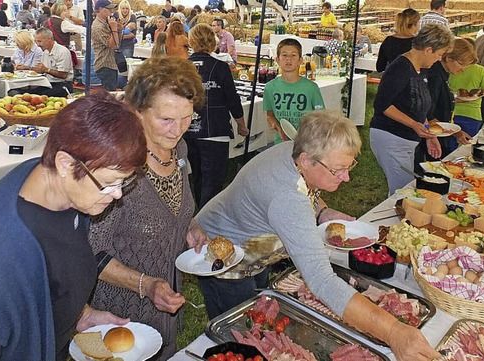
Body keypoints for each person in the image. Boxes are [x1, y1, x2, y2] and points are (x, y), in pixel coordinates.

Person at [195, 110, 442, 361]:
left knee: (260, 310)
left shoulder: (299, 150)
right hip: (222, 255)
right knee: (243, 336)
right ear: (306, 160)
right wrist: (393, 331)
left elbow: (305, 187)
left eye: (349, 166)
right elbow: (322, 282)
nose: (346, 178)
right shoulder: (287, 200)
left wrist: (322, 210)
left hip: (254, 242)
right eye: (338, 170)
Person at [0, 92, 147, 360]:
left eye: (124, 182)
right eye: (110, 182)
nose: (118, 194)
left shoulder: (68, 193)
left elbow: (55, 272)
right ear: (66, 163)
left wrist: (80, 314)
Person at [89, 57, 210, 360]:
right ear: (136, 111)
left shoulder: (179, 151)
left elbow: (172, 208)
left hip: (165, 311)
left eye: (187, 118)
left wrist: (190, 225)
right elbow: (91, 252)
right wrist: (147, 285)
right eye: (166, 119)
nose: (177, 130)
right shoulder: (118, 166)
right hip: (119, 319)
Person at [370, 24, 453, 195]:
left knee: (405, 189)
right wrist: (414, 125)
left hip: (405, 140)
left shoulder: (419, 69)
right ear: (428, 50)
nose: (439, 59)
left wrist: (429, 134)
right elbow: (382, 105)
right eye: (439, 55)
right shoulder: (401, 68)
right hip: (390, 138)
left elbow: (417, 106)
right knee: (403, 192)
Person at [185, 23, 249, 209]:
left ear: (192, 41)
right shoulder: (221, 67)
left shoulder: (182, 67)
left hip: (189, 131)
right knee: (213, 181)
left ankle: (200, 215)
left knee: (198, 176)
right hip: (215, 131)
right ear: (213, 42)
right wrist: (241, 125)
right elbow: (233, 100)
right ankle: (206, 221)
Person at [421, 38, 475, 163]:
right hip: (432, 138)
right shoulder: (435, 76)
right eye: (461, 64)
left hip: (438, 135)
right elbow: (429, 113)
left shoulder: (443, 74)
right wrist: (454, 131)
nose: (463, 69)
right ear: (449, 58)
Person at [263, 38, 325, 144]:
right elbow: (270, 115)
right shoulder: (270, 87)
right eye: (284, 55)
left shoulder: (311, 88)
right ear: (277, 59)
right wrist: (277, 126)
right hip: (281, 143)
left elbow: (321, 117)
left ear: (300, 60)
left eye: (293, 55)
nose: (289, 59)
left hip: (307, 144)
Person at [448, 47, 484, 151]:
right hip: (472, 115)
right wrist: (478, 93)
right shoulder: (480, 70)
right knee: (468, 147)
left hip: (451, 114)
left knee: (449, 147)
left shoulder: (450, 68)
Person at [32, 27, 74, 97]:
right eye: (36, 42)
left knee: (38, 97)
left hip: (63, 84)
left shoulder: (62, 51)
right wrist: (36, 69)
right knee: (28, 94)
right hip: (48, 83)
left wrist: (46, 70)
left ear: (49, 39)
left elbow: (64, 75)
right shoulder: (45, 51)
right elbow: (43, 70)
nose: (37, 44)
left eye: (39, 41)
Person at [91, 0, 120, 91]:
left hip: (110, 63)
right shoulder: (98, 26)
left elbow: (117, 43)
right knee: (109, 94)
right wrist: (114, 29)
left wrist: (118, 30)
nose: (111, 11)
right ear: (100, 9)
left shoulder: (105, 23)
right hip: (105, 63)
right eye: (109, 9)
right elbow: (112, 45)